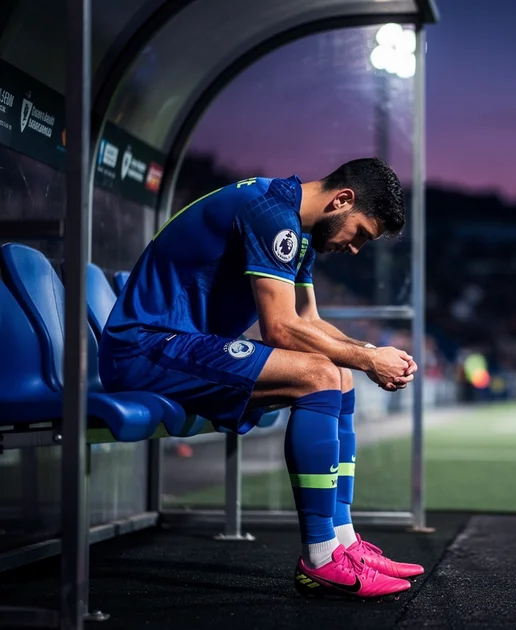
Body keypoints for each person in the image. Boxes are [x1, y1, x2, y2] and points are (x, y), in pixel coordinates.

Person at [99, 158, 423, 599]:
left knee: (339, 377)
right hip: (144, 348)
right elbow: (281, 329)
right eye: (360, 234)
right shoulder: (269, 211)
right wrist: (370, 361)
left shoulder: (298, 229)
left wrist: (368, 355)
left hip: (180, 346)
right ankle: (321, 557)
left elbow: (309, 320)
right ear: (342, 200)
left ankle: (344, 542)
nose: (354, 249)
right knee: (319, 375)